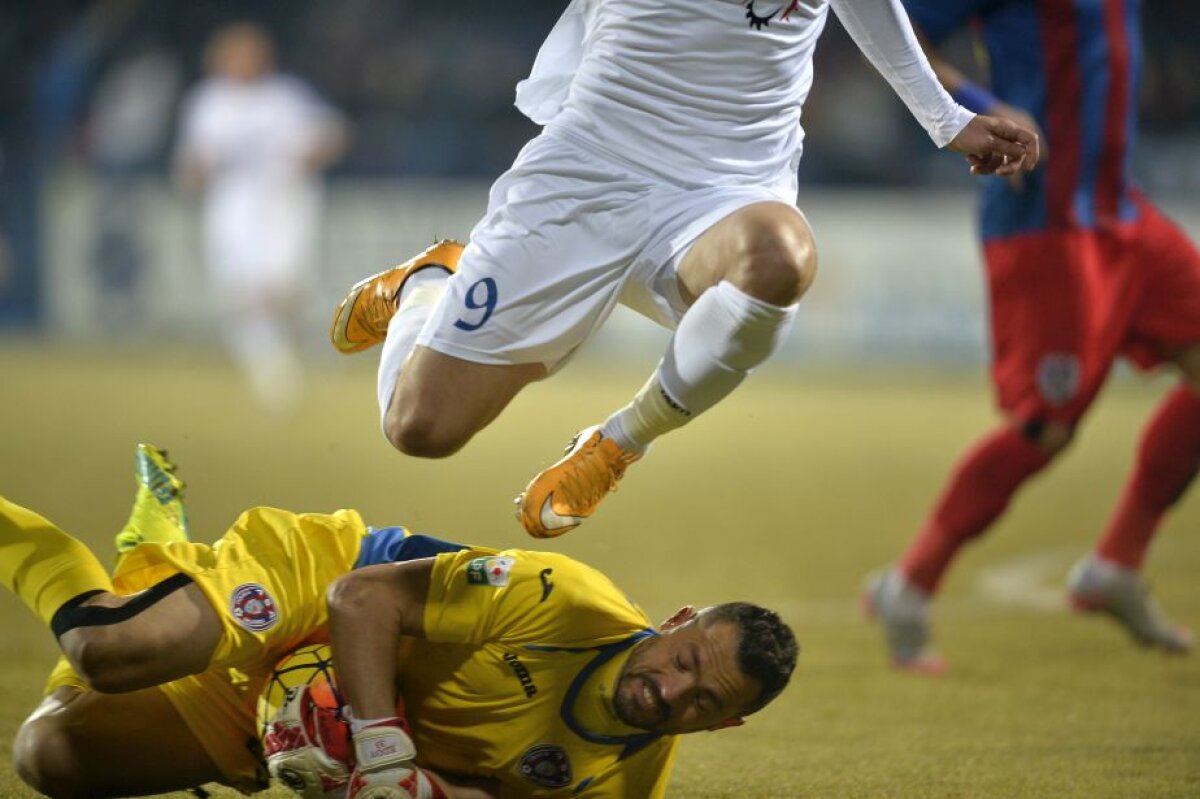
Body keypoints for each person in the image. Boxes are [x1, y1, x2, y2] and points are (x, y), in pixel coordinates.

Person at [329, 0, 1041, 539]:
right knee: (421, 428)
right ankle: (429, 285)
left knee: (781, 255)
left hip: (724, 190)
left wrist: (944, 118)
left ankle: (616, 442)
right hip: (587, 175)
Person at [2, 445, 798, 798]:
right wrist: (382, 748)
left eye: (701, 701)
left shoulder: (619, 782)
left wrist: (419, 788)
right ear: (678, 620)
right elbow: (364, 600)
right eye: (686, 660)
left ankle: (155, 548)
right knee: (110, 647)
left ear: (723, 725)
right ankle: (118, 553)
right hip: (334, 579)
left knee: (54, 756)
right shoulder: (566, 596)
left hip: (340, 700)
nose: (670, 692)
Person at [863, 0, 1200, 671]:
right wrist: (980, 105)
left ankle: (1115, 563)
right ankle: (910, 583)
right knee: (1045, 427)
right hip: (1041, 216)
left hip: (1118, 208)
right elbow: (897, 32)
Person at [176, 22, 347, 415]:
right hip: (232, 210)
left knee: (286, 290)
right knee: (243, 294)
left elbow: (334, 134)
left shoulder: (285, 97)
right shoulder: (208, 102)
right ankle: (273, 374)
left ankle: (318, 349)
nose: (244, 62)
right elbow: (190, 165)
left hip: (284, 205)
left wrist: (312, 154)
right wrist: (196, 173)